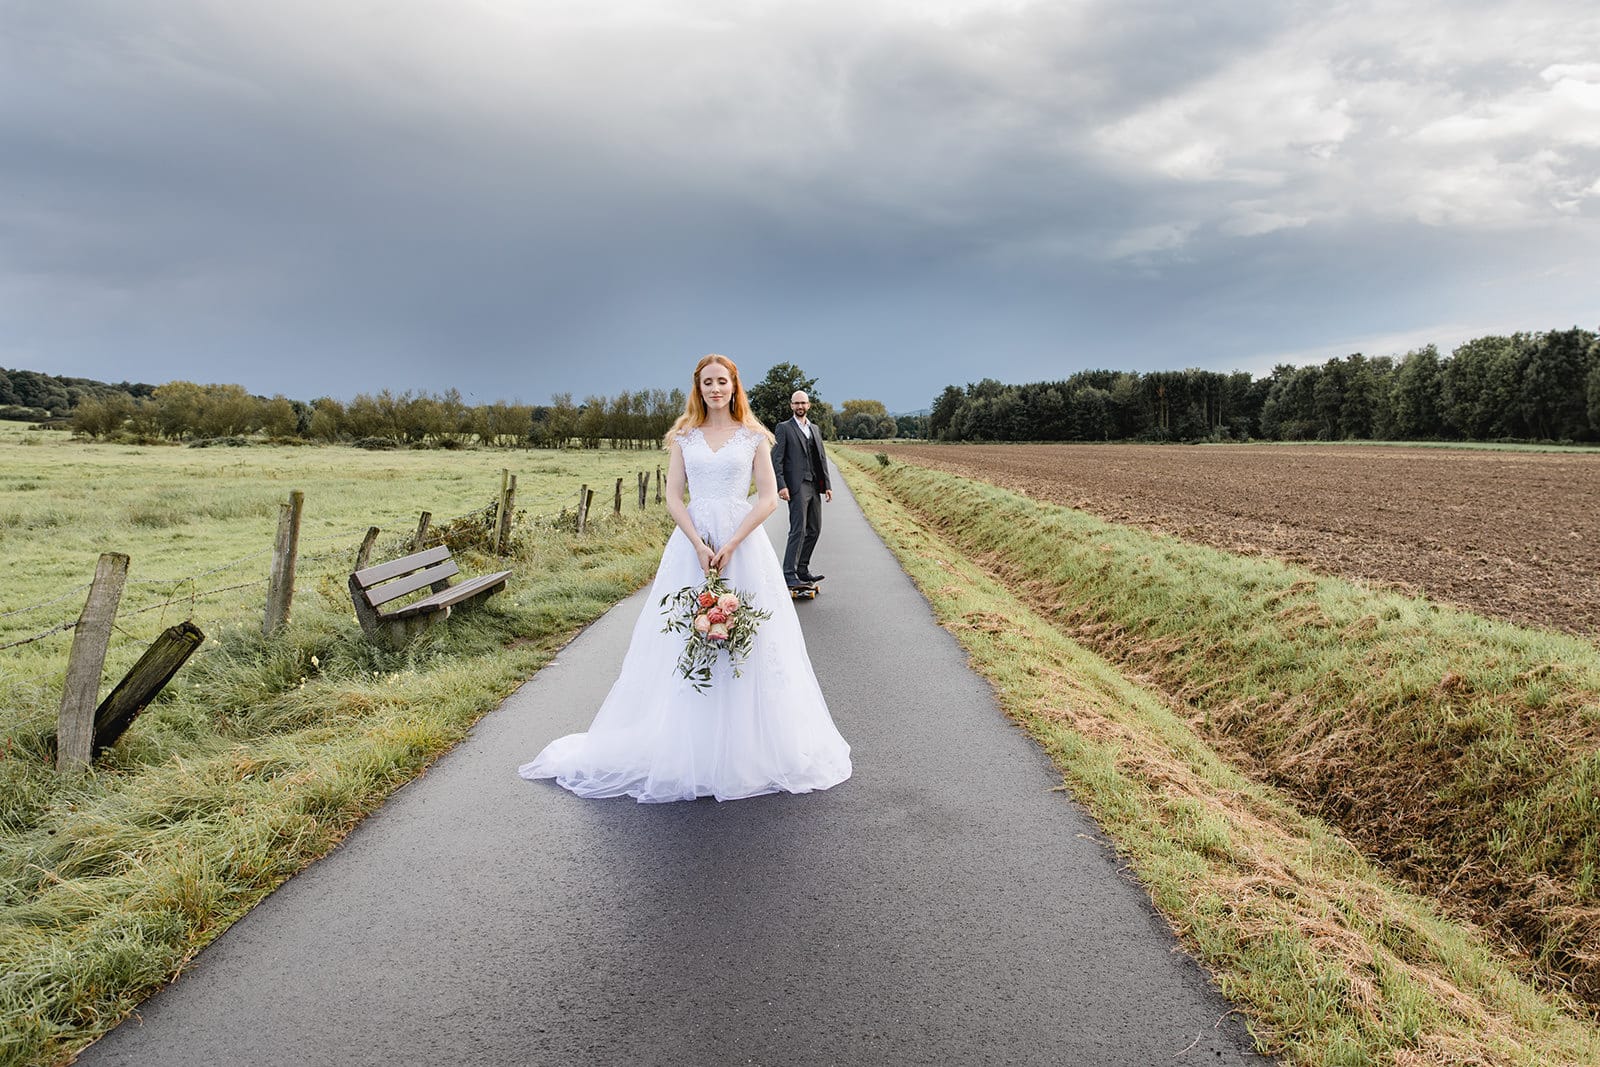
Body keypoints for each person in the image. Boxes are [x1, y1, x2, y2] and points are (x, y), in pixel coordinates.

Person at [519, 355, 852, 803]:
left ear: (735, 387)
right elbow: (675, 497)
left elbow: (770, 499)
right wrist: (697, 543)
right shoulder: (684, 437)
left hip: (742, 544)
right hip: (691, 545)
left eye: (723, 381)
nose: (715, 389)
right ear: (698, 387)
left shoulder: (755, 436)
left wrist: (732, 543)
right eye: (707, 382)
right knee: (686, 635)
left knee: (748, 640)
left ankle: (745, 745)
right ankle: (689, 742)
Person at [770, 390, 832, 589]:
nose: (800, 407)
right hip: (796, 486)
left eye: (803, 403)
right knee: (798, 530)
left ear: (809, 405)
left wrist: (827, 486)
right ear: (791, 406)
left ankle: (803, 569)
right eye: (796, 403)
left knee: (814, 529)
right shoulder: (784, 428)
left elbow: (821, 458)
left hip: (814, 485)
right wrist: (781, 485)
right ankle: (789, 573)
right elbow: (776, 459)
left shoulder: (814, 428)